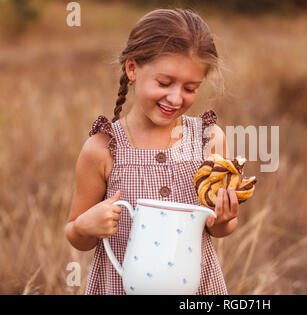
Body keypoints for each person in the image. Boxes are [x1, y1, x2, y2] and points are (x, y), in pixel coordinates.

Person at [64, 8, 239, 295]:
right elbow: (76, 233)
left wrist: (225, 218)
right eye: (164, 83)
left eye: (190, 88)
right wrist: (85, 227)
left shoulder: (209, 140)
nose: (175, 97)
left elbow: (217, 229)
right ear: (132, 69)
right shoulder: (103, 149)